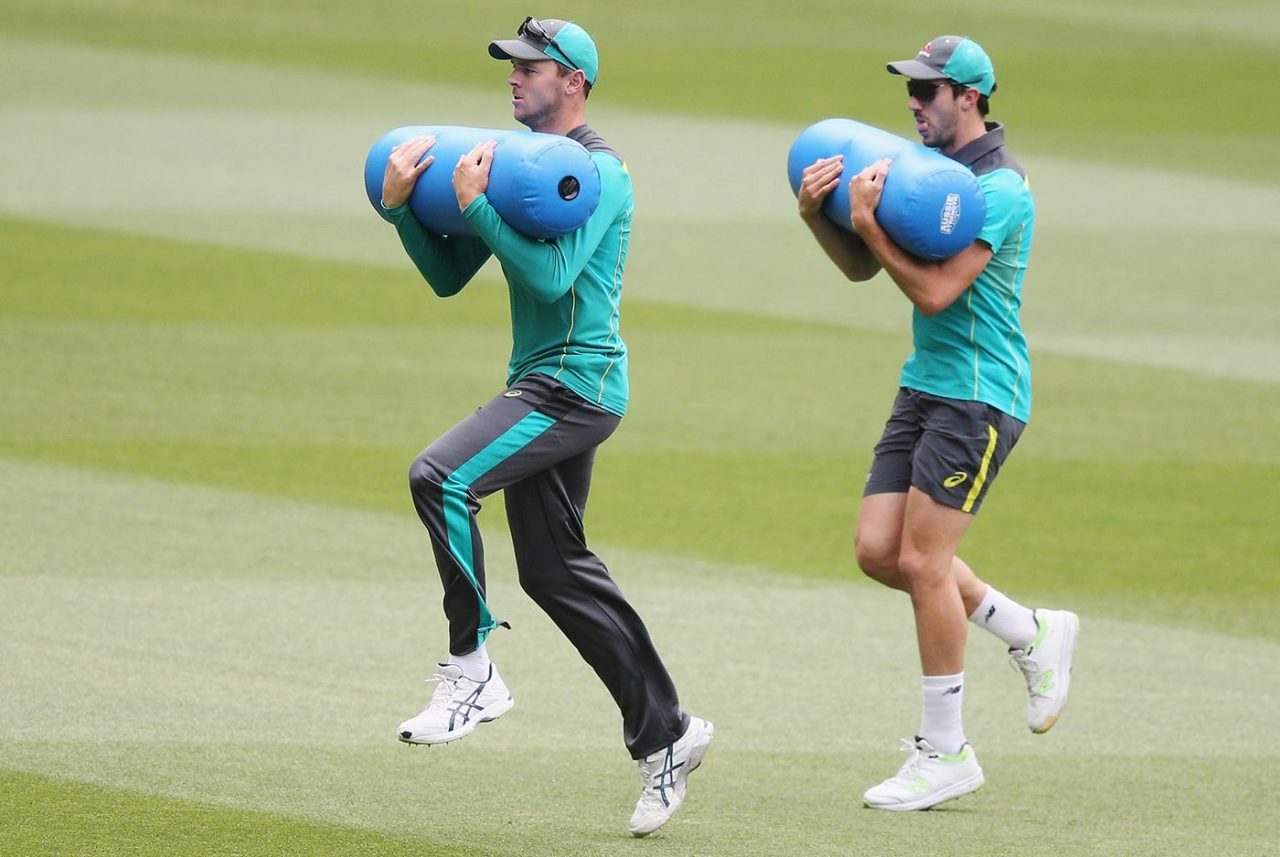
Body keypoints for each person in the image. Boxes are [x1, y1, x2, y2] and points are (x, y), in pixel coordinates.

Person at [378, 17, 712, 837]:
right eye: (512, 66)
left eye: (532, 67)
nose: (514, 77)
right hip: (542, 382)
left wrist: (480, 209)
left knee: (440, 476)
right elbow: (451, 277)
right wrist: (403, 213)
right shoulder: (525, 168)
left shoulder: (600, 174)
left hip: (575, 387)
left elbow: (557, 275)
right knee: (557, 570)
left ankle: (471, 667)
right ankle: (666, 734)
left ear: (576, 81)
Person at [795, 35, 1079, 811]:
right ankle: (1028, 630)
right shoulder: (935, 178)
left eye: (929, 92)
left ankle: (945, 749)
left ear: (971, 98)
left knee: (923, 562)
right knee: (878, 551)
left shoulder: (1001, 189)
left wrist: (870, 222)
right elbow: (863, 268)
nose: (914, 105)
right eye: (911, 92)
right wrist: (823, 217)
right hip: (926, 386)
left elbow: (935, 293)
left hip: (981, 396)